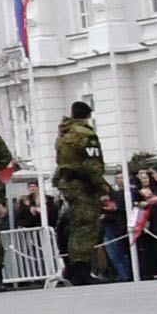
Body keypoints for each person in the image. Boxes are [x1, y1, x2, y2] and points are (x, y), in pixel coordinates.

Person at [54, 99, 107, 282]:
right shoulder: (85, 134)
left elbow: (59, 160)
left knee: (72, 226)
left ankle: (71, 267)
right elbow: (92, 164)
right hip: (83, 185)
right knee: (85, 227)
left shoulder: (64, 133)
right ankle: (81, 271)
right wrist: (103, 187)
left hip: (67, 183)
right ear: (87, 116)